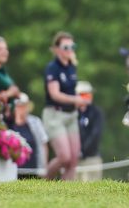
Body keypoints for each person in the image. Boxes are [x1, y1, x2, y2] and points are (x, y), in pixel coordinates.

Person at [43, 31, 89, 180]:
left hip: (71, 115)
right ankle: (45, 182)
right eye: (65, 47)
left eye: (72, 46)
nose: (69, 50)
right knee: (64, 157)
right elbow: (55, 94)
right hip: (55, 115)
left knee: (74, 158)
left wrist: (79, 101)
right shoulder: (53, 68)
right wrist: (75, 100)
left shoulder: (71, 67)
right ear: (56, 49)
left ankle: (66, 191)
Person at [10, 93, 48, 178]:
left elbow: (43, 144)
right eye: (19, 106)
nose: (21, 109)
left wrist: (44, 167)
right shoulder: (9, 124)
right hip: (13, 172)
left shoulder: (35, 122)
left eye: (23, 106)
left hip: (33, 171)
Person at [76, 81, 104, 182]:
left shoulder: (96, 112)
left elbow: (95, 134)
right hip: (74, 160)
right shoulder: (71, 113)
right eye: (83, 94)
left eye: (89, 94)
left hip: (91, 158)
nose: (87, 97)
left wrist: (83, 151)